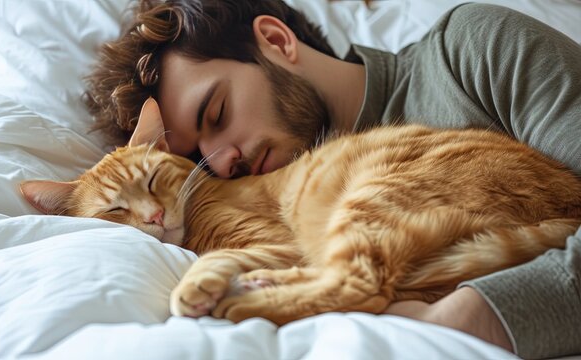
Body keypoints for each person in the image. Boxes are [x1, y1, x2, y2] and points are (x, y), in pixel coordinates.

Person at [84, 1, 581, 358]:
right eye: (198, 156)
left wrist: (461, 322)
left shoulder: (470, 48)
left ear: (277, 41)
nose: (222, 160)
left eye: (218, 111)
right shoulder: (250, 203)